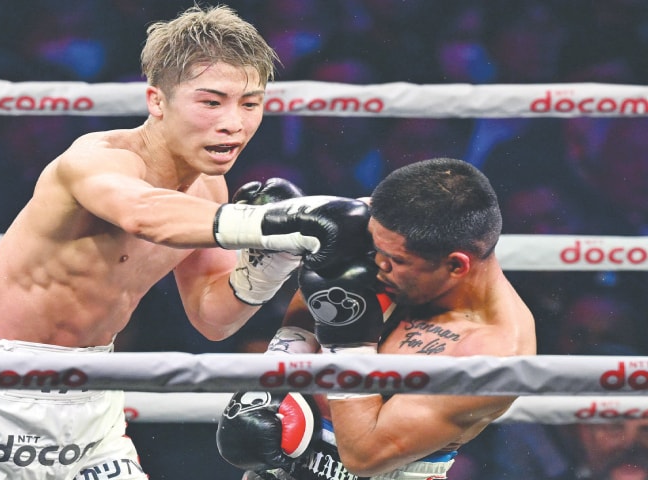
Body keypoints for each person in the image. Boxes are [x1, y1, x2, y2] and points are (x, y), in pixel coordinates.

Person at [0, 6, 369, 480]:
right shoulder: (96, 159)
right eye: (211, 101)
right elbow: (144, 214)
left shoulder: (208, 190)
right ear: (157, 100)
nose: (234, 123)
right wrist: (273, 222)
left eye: (250, 103)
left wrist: (272, 261)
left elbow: (213, 318)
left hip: (90, 397)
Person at [217, 157, 537, 479]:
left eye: (395, 260)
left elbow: (364, 455)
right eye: (378, 251)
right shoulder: (389, 229)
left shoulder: (492, 353)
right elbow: (326, 294)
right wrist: (277, 375)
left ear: (455, 266)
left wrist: (349, 345)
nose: (378, 264)